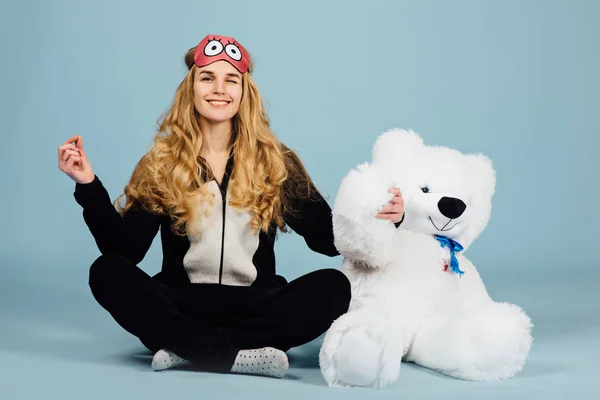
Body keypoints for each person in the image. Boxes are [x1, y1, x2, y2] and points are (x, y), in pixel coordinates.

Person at [57, 34, 405, 378]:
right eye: (207, 78)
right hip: (182, 302)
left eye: (231, 80)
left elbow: (327, 240)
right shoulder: (162, 163)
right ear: (191, 89)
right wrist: (88, 185)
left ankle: (189, 349)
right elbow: (124, 250)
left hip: (255, 305)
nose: (219, 89)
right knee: (107, 271)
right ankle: (237, 354)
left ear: (244, 92)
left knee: (333, 287)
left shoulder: (275, 162)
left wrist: (384, 217)